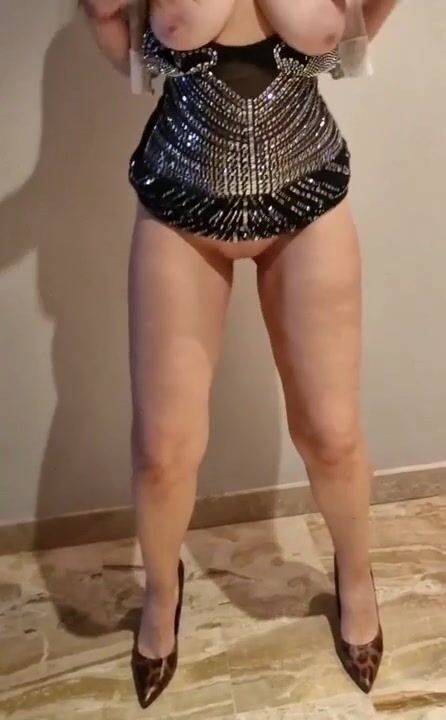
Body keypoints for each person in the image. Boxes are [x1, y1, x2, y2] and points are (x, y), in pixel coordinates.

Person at [82, 0, 397, 708]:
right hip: (181, 200)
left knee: (331, 433)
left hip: (307, 191)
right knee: (163, 449)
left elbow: (358, 33)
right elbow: (116, 38)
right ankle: (162, 593)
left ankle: (356, 574)